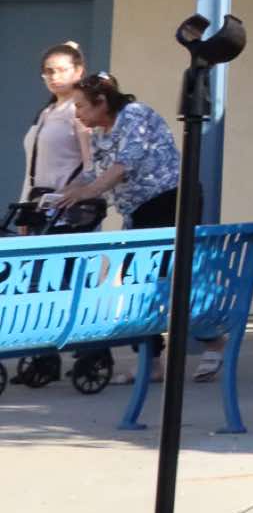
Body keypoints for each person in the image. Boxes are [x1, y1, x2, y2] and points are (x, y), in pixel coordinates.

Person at [49, 73, 225, 383]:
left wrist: (88, 192)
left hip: (171, 200)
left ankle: (212, 339)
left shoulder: (135, 115)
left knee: (172, 279)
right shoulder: (100, 134)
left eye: (81, 106)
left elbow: (123, 166)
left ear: (102, 102)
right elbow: (94, 173)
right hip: (138, 211)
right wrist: (61, 195)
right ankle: (151, 360)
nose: (77, 114)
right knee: (135, 282)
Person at [17, 41, 98, 232]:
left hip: (67, 210)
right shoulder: (47, 112)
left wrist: (73, 193)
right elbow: (33, 168)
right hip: (39, 207)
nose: (54, 77)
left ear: (78, 71)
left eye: (62, 70)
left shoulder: (78, 111)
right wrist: (24, 206)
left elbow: (91, 165)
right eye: (49, 71)